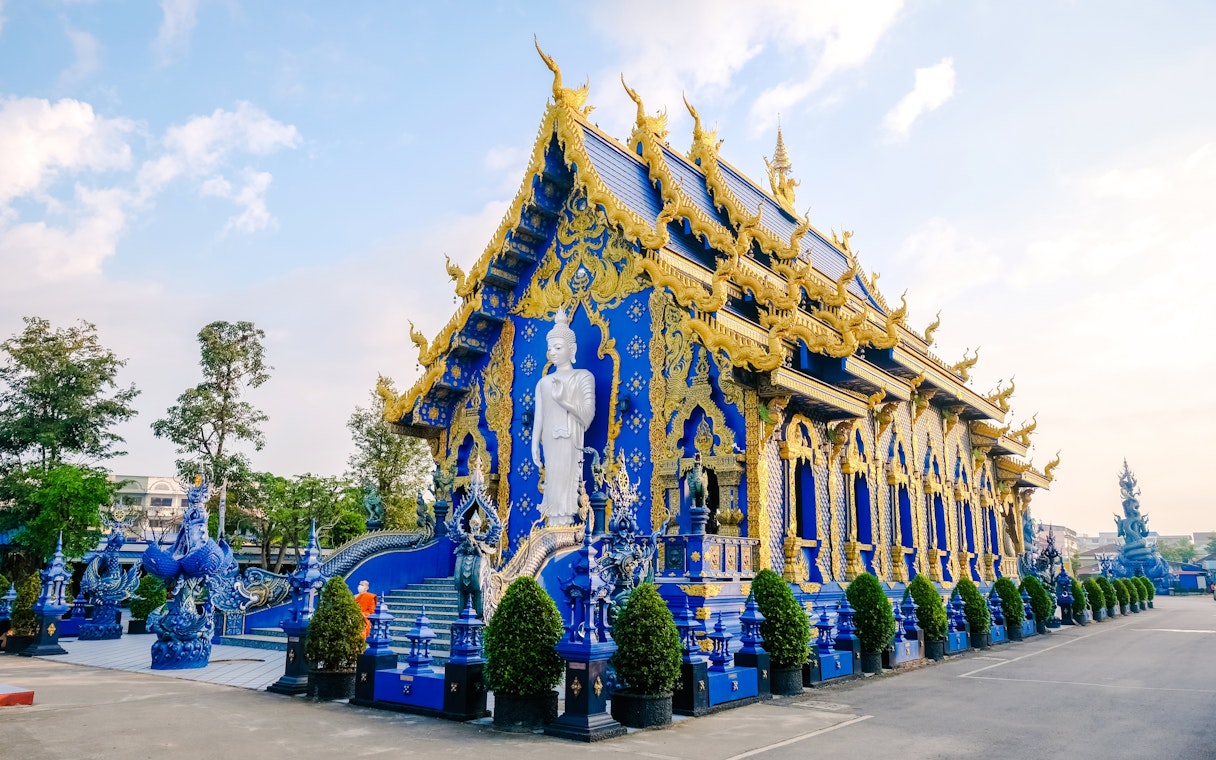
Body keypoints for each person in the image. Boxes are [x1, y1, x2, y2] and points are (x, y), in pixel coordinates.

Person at [532, 308, 596, 526]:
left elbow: (587, 415)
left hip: (570, 439)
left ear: (572, 349)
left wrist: (563, 401)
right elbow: (539, 417)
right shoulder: (543, 383)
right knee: (552, 479)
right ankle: (553, 523)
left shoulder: (583, 377)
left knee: (566, 481)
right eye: (550, 348)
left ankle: (565, 523)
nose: (553, 352)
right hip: (550, 440)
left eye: (558, 347)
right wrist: (534, 443)